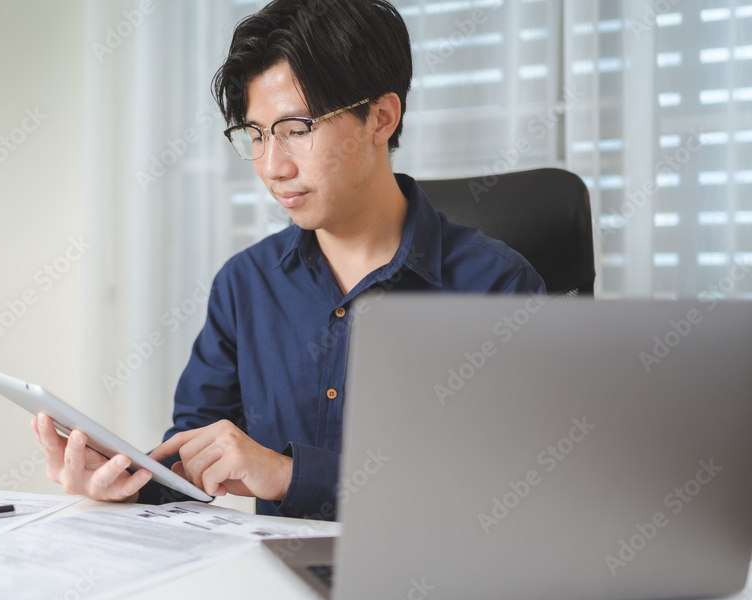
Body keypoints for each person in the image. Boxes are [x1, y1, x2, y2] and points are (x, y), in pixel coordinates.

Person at [34, 0, 545, 521]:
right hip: (270, 591)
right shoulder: (245, 285)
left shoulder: (497, 285)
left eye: (296, 129)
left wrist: (287, 474)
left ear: (381, 118)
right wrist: (122, 482)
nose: (272, 167)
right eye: (255, 135)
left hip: (436, 590)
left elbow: (508, 493)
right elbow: (190, 466)